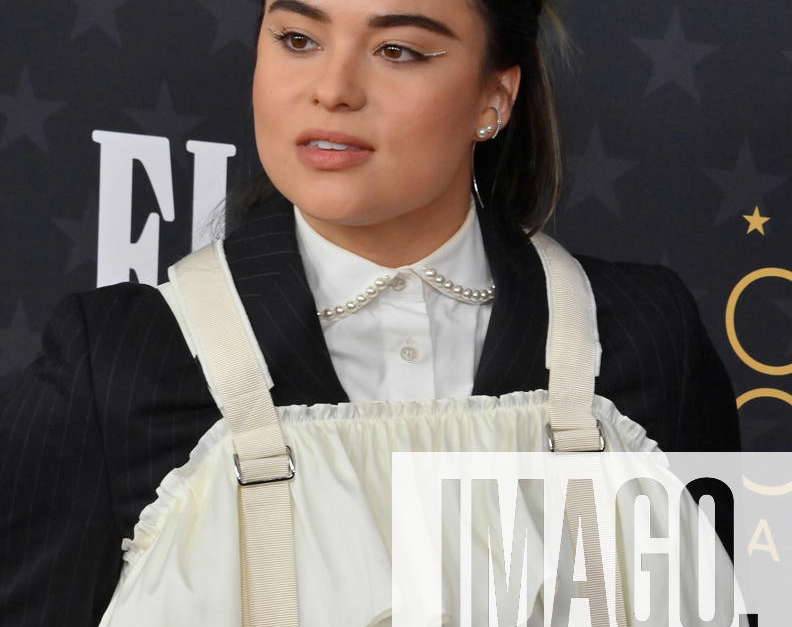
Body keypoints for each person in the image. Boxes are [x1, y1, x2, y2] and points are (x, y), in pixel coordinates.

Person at [0, 0, 741, 625]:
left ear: (495, 98)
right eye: (298, 39)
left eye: (398, 50)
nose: (333, 88)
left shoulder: (650, 331)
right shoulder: (117, 360)